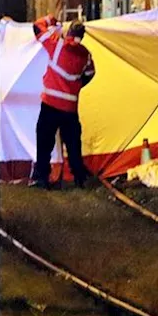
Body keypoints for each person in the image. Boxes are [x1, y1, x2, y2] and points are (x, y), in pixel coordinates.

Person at [30, 14, 96, 189]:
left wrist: (51, 20)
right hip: (70, 108)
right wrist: (75, 86)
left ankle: (42, 177)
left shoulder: (57, 45)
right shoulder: (85, 55)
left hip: (50, 104)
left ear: (67, 32)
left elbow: (37, 27)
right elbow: (90, 74)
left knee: (44, 142)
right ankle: (80, 178)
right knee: (73, 144)